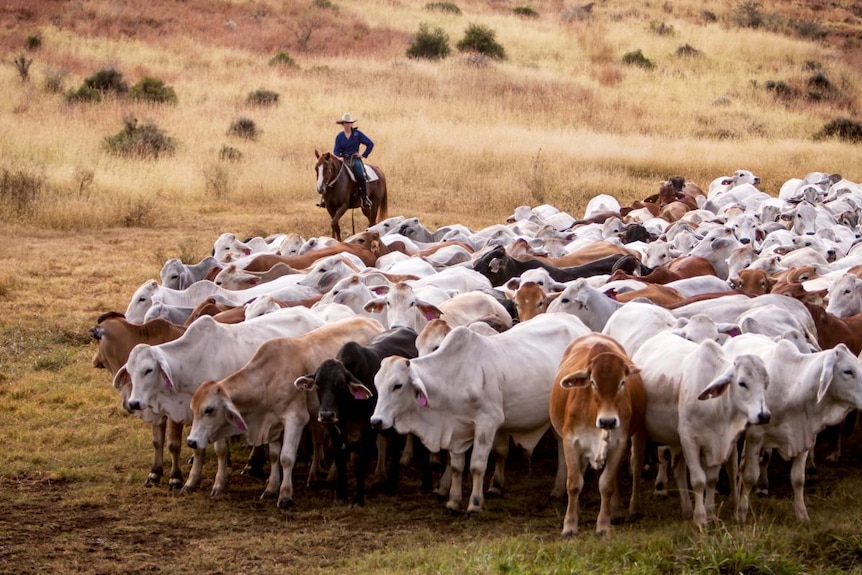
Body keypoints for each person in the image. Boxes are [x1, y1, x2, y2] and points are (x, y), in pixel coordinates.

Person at [321, 112, 374, 209]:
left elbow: (370, 144)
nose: (348, 125)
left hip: (354, 159)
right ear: (343, 124)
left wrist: (363, 155)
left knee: (360, 175)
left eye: (349, 123)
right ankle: (325, 199)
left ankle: (364, 198)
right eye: (345, 123)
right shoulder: (339, 136)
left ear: (352, 124)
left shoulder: (358, 134)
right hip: (343, 159)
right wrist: (338, 156)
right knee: (330, 174)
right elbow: (336, 150)